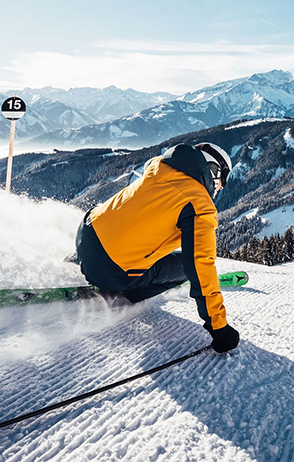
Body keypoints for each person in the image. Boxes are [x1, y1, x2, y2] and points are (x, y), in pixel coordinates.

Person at [74, 142, 240, 354]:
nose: (221, 187)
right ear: (213, 170)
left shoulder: (158, 167)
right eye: (222, 180)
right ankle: (128, 292)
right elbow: (200, 266)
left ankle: (83, 258)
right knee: (184, 269)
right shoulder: (199, 204)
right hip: (109, 272)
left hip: (85, 233)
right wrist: (219, 327)